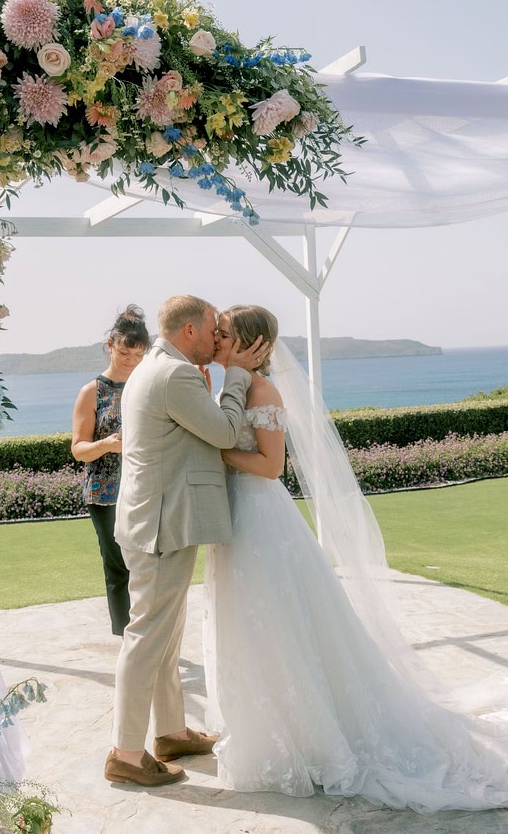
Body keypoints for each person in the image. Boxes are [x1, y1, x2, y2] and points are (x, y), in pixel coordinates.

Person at [204, 304, 508, 813]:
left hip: (261, 521)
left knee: (280, 625)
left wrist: (209, 450)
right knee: (249, 625)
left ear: (249, 344)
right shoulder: (232, 385)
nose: (216, 338)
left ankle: (311, 737)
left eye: (225, 333)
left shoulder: (261, 391)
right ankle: (267, 728)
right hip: (237, 519)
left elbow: (271, 465)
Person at [104, 295, 269, 788]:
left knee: (164, 635)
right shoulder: (174, 374)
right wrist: (237, 376)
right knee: (147, 637)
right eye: (214, 330)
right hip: (160, 523)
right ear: (191, 331)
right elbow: (223, 431)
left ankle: (171, 732)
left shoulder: (159, 367)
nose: (220, 339)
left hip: (157, 519)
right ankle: (126, 754)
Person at [71, 305, 151, 636]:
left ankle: (149, 633)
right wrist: (106, 445)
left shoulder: (148, 387)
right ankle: (127, 637)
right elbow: (78, 449)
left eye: (137, 353)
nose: (131, 359)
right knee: (117, 567)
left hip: (145, 487)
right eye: (124, 352)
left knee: (148, 565)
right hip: (104, 493)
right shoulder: (93, 392)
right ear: (110, 346)